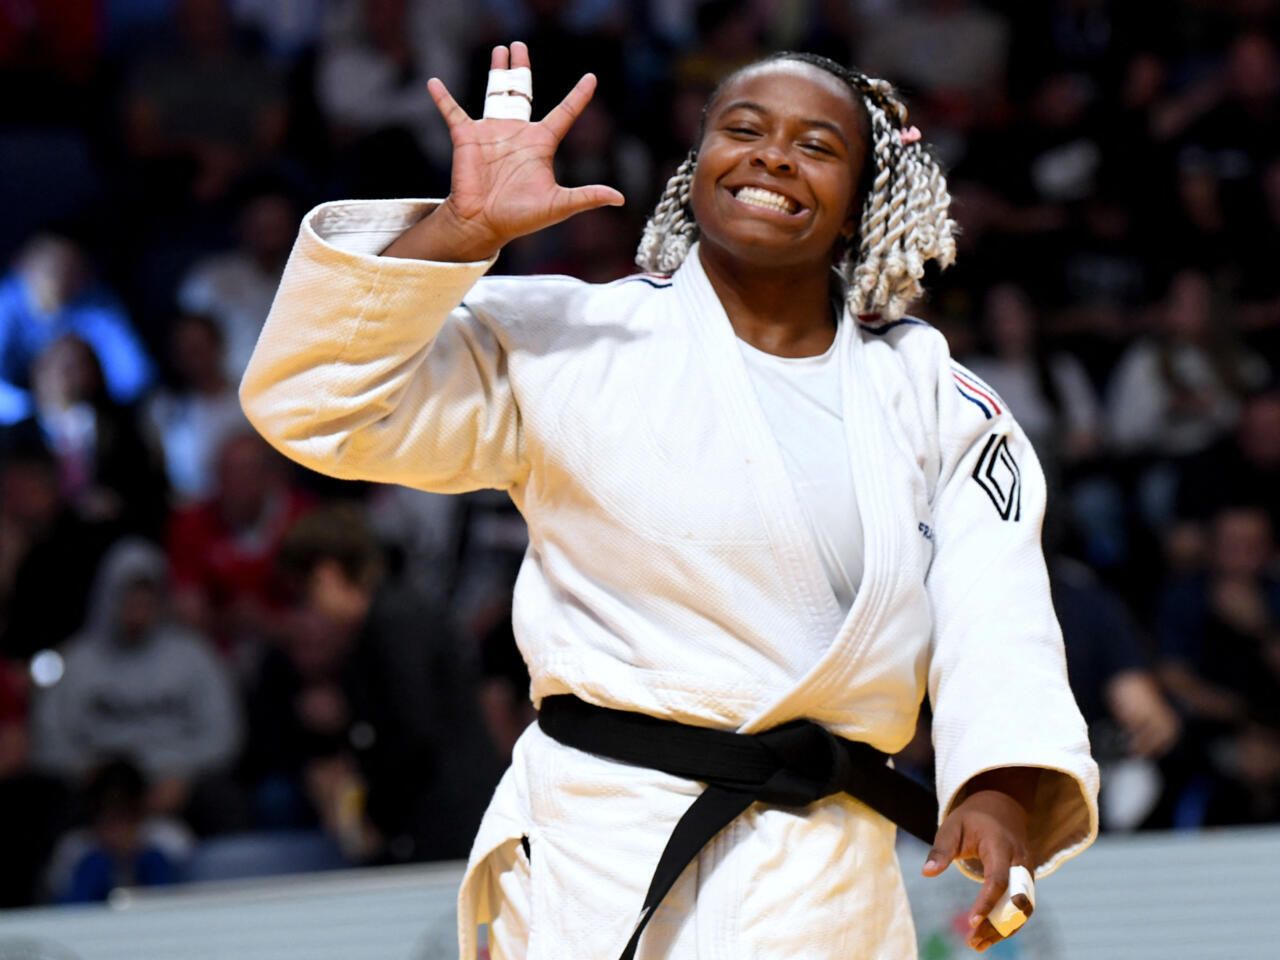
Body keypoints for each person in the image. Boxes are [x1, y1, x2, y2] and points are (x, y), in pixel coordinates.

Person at [241, 43, 1098, 959]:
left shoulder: (934, 397)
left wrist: (999, 781)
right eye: (744, 130)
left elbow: (996, 604)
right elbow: (315, 401)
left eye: (817, 145)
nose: (773, 156)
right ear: (697, 173)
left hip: (824, 879)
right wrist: (459, 230)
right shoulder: (573, 341)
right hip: (598, 856)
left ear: (861, 205)